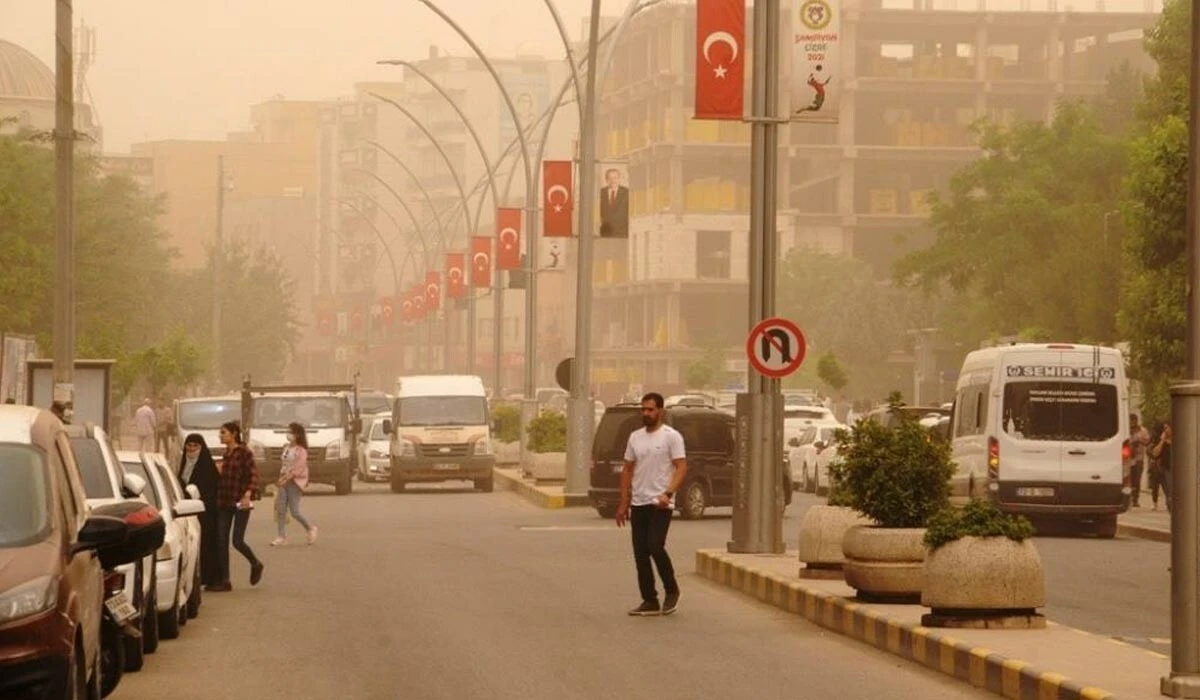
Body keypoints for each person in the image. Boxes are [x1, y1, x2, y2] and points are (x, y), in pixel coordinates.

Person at [615, 392, 687, 616]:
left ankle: (672, 590)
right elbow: (627, 469)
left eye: (651, 409)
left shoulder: (671, 437)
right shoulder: (635, 437)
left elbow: (681, 467)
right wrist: (624, 502)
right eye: (643, 409)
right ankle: (649, 600)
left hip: (660, 503)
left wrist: (668, 493)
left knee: (655, 545)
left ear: (660, 411)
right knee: (640, 553)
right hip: (639, 502)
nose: (646, 413)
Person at [211, 421, 263, 591]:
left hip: (241, 501)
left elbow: (253, 475)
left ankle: (255, 563)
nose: (220, 435)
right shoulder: (226, 454)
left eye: (223, 432)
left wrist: (248, 494)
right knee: (221, 540)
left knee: (237, 541)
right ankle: (225, 580)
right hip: (224, 501)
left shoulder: (244, 453)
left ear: (234, 434)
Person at [179, 434, 221, 588]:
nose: (191, 449)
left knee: (207, 544)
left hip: (205, 512)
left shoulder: (207, 467)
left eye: (195, 446)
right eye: (189, 446)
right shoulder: (184, 464)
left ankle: (210, 577)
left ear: (201, 448)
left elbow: (210, 489)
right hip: (187, 511)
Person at [271, 422, 318, 547]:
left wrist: (287, 477)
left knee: (294, 511)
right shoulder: (286, 447)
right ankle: (281, 536)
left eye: (291, 432)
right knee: (281, 509)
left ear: (297, 435)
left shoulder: (301, 451)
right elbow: (284, 464)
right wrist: (281, 478)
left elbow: (299, 467)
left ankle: (310, 528)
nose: (288, 434)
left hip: (294, 481)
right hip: (283, 479)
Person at [598, 168, 629, 239]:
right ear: (606, 180)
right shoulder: (601, 192)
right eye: (610, 178)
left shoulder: (627, 192)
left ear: (619, 179)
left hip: (622, 232)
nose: (613, 181)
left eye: (615, 178)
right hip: (606, 232)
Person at [1128, 413, 1150, 508]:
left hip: (1138, 458)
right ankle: (1128, 498)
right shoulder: (1125, 430)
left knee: (1137, 479)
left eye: (1134, 421)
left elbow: (1148, 442)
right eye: (1131, 421)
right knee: (1128, 479)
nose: (1132, 423)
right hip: (1127, 459)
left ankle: (1135, 499)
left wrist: (1139, 440)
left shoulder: (1143, 430)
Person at [1149, 422, 1173, 512]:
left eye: (1167, 428)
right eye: (1164, 428)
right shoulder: (1162, 442)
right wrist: (1162, 441)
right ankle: (1170, 509)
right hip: (1166, 469)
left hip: (1177, 470)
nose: (1165, 430)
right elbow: (1155, 453)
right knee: (1169, 492)